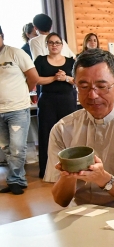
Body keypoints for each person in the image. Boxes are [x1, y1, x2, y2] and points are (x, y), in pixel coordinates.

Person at [46, 49, 114, 210]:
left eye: (101, 86)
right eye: (83, 87)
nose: (92, 95)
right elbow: (61, 200)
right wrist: (68, 176)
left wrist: (103, 178)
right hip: (79, 217)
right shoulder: (62, 129)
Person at [0, 26, 38, 195]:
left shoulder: (15, 53)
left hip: (17, 109)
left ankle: (15, 180)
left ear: (1, 36)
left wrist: (22, 94)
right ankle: (18, 178)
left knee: (17, 147)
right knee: (6, 147)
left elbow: (33, 78)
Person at [34, 32, 77, 178]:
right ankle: (46, 170)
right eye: (51, 42)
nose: (54, 45)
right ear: (47, 44)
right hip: (47, 100)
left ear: (62, 45)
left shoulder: (71, 61)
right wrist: (54, 78)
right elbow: (36, 80)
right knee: (46, 134)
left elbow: (77, 81)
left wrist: (65, 78)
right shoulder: (40, 61)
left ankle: (72, 166)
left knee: (69, 134)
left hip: (67, 100)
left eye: (57, 42)